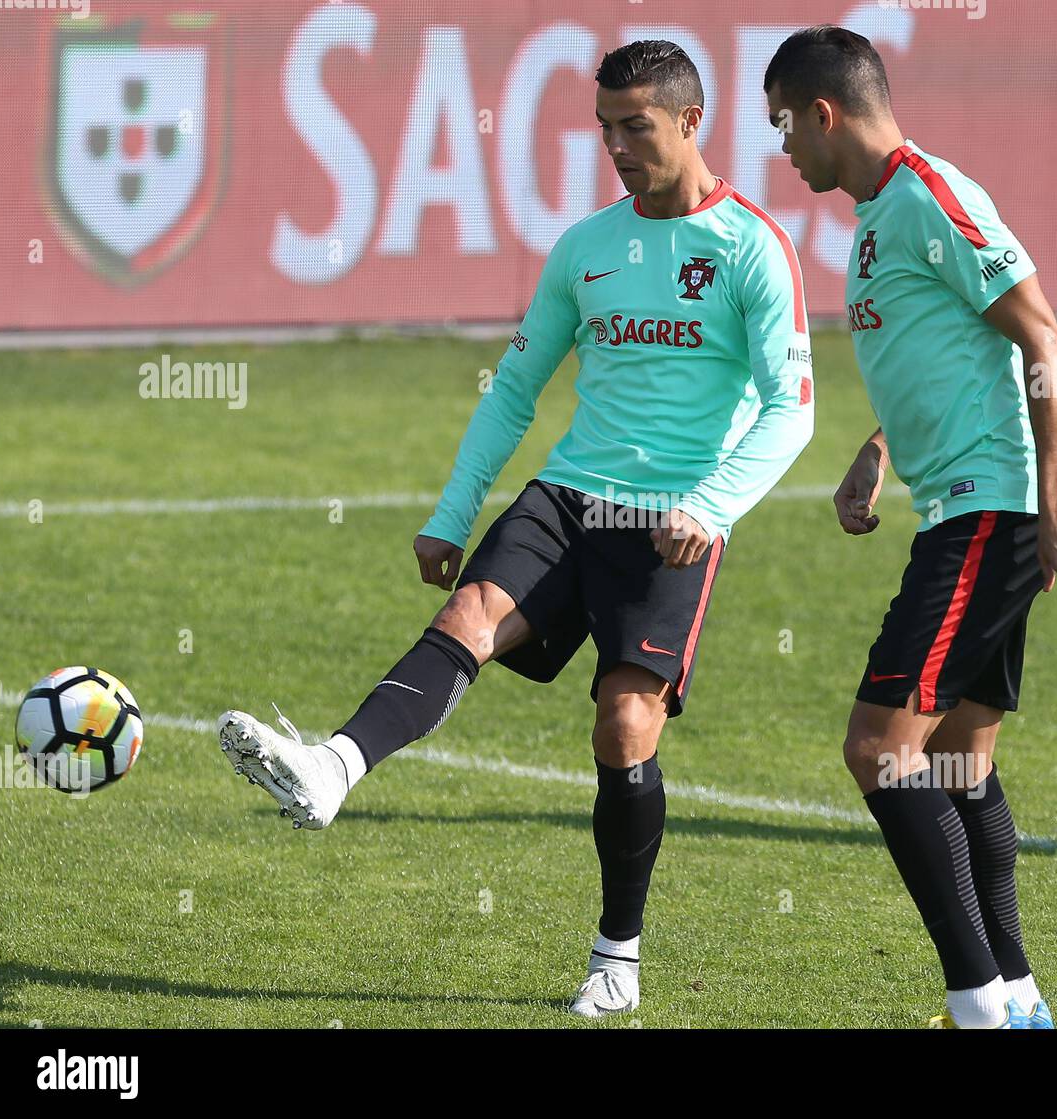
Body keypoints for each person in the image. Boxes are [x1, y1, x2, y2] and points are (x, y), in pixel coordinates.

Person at [218, 39, 814, 1019]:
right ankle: (329, 769)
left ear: (690, 122)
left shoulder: (751, 247)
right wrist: (452, 509)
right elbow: (515, 391)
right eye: (605, 127)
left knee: (625, 726)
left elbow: (788, 406)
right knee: (468, 621)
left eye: (638, 127)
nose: (618, 146)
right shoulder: (586, 248)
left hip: (668, 518)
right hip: (569, 491)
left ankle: (615, 960)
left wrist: (711, 505)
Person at [764, 25, 1057, 1029]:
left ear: (824, 113)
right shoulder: (882, 216)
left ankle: (977, 1007)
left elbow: (1043, 336)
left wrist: (1055, 502)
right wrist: (877, 449)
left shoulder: (930, 195)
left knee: (880, 747)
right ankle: (1020, 1001)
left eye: (786, 123)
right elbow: (946, 348)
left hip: (987, 516)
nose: (784, 148)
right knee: (961, 759)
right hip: (965, 510)